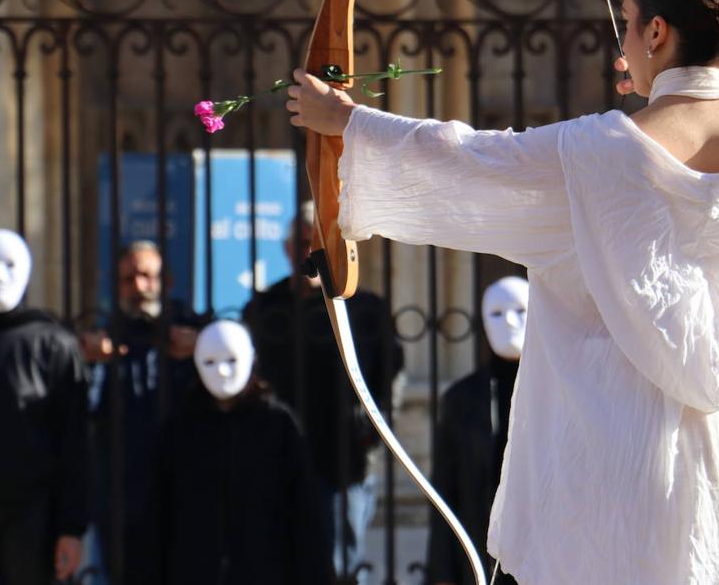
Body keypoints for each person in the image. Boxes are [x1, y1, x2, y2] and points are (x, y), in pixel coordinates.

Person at [286, 0, 719, 583]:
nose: (621, 40)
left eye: (627, 23)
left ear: (657, 30)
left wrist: (349, 123)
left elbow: (467, 160)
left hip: (621, 512)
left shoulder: (594, 158)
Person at [241, 202, 402, 583]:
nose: (310, 250)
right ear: (286, 248)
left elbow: (391, 377)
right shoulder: (265, 307)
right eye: (301, 242)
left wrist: (371, 433)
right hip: (277, 456)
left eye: (320, 241)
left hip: (344, 458)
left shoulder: (365, 308)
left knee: (341, 564)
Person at [150, 320, 331, 585]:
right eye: (210, 361)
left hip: (265, 569)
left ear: (251, 360)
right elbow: (159, 511)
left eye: (232, 360)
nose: (222, 372)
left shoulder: (278, 425)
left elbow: (303, 511)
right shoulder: (180, 429)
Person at [82, 241, 202, 585]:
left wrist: (202, 346)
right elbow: (87, 408)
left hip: (183, 491)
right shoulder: (105, 334)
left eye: (148, 276)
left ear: (166, 282)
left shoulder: (191, 329)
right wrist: (91, 364)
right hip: (121, 496)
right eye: (129, 278)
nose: (139, 287)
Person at [0, 228, 87, 585]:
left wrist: (71, 528)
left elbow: (74, 441)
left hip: (32, 516)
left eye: (9, 265)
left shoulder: (52, 345)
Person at [426, 277, 528, 585]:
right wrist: (441, 572)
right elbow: (446, 489)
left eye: (521, 310)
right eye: (496, 313)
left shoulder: (561, 395)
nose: (509, 322)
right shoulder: (462, 399)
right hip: (480, 552)